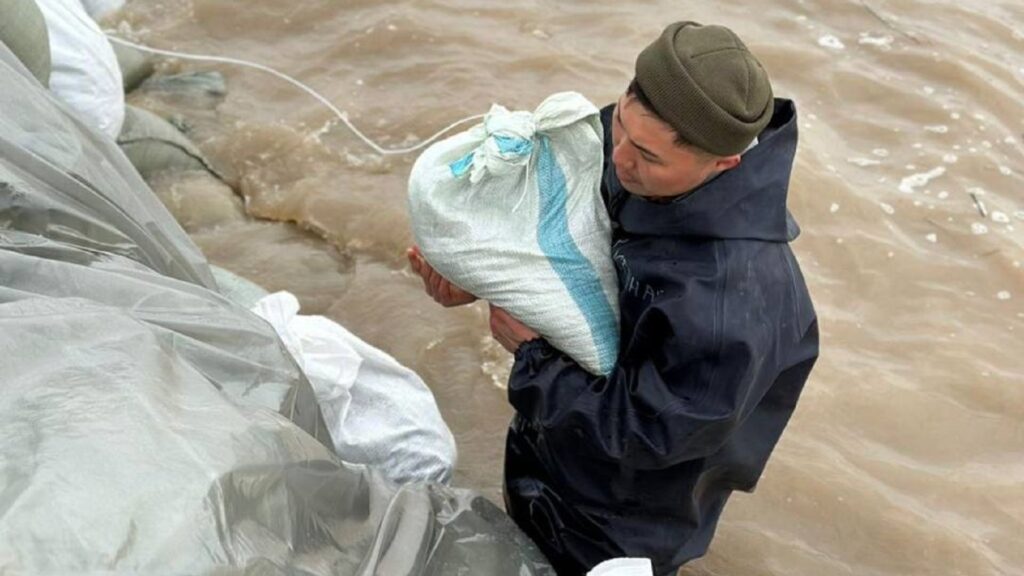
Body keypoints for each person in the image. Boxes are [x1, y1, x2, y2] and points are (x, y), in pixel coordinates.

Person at [408, 21, 819, 576]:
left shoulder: (733, 304)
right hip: (553, 444)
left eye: (646, 157)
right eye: (620, 125)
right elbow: (567, 240)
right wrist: (482, 276)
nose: (618, 159)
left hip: (622, 518)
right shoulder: (630, 143)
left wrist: (534, 359)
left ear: (723, 166)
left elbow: (652, 435)